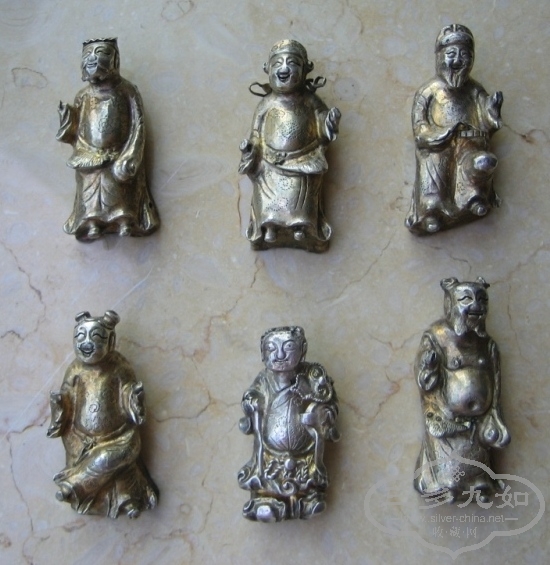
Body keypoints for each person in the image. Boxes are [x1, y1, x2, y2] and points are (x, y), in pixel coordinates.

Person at [47, 311, 158, 518]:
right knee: (102, 463)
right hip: (81, 437)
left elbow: (128, 394)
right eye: (80, 337)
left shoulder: (119, 367)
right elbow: (68, 397)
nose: (86, 343)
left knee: (113, 458)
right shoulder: (75, 369)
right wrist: (60, 404)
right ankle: (116, 500)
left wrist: (134, 400)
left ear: (111, 341)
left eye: (96, 337)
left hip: (120, 438)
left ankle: (74, 487)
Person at [414, 278, 511, 503]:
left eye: (482, 300)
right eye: (466, 299)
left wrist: (495, 415)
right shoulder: (437, 337)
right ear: (451, 304)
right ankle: (447, 487)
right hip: (448, 420)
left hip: (479, 425)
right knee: (451, 475)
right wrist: (429, 366)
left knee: (478, 468)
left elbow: (496, 379)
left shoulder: (487, 344)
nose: (476, 306)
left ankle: (481, 484)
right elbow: (425, 382)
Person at [239, 40, 340, 252]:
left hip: (303, 161)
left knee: (300, 198)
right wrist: (251, 148)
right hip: (270, 165)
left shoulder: (311, 101)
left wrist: (328, 124)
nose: (284, 69)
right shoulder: (266, 104)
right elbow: (256, 133)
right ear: (267, 69)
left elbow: (322, 128)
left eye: (292, 63)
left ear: (305, 70)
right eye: (277, 64)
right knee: (268, 200)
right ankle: (269, 229)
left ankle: (300, 229)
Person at [57, 38, 159, 241]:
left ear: (115, 59)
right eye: (87, 55)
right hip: (90, 154)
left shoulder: (127, 90)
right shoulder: (83, 96)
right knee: (91, 190)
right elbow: (77, 130)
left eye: (100, 53)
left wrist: (132, 152)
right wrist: (68, 118)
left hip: (118, 153)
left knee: (119, 187)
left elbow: (138, 123)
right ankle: (92, 223)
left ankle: (125, 221)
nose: (92, 59)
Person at [406, 25, 503, 234]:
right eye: (451, 54)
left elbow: (486, 122)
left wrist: (492, 113)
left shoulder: (475, 90)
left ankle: (474, 198)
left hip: (469, 147)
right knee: (434, 166)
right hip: (437, 148)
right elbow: (420, 126)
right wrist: (439, 135)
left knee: (482, 162)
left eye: (464, 55)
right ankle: (431, 211)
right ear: (439, 57)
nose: (457, 61)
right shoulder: (428, 91)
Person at [238, 326, 339, 521]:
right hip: (270, 454)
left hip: (305, 453)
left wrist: (318, 415)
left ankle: (305, 502)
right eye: (271, 348)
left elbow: (329, 403)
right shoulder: (264, 380)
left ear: (303, 350)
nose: (280, 355)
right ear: (263, 353)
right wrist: (252, 402)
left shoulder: (311, 378)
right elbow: (250, 395)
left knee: (307, 481)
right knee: (267, 481)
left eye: (289, 347)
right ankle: (265, 502)